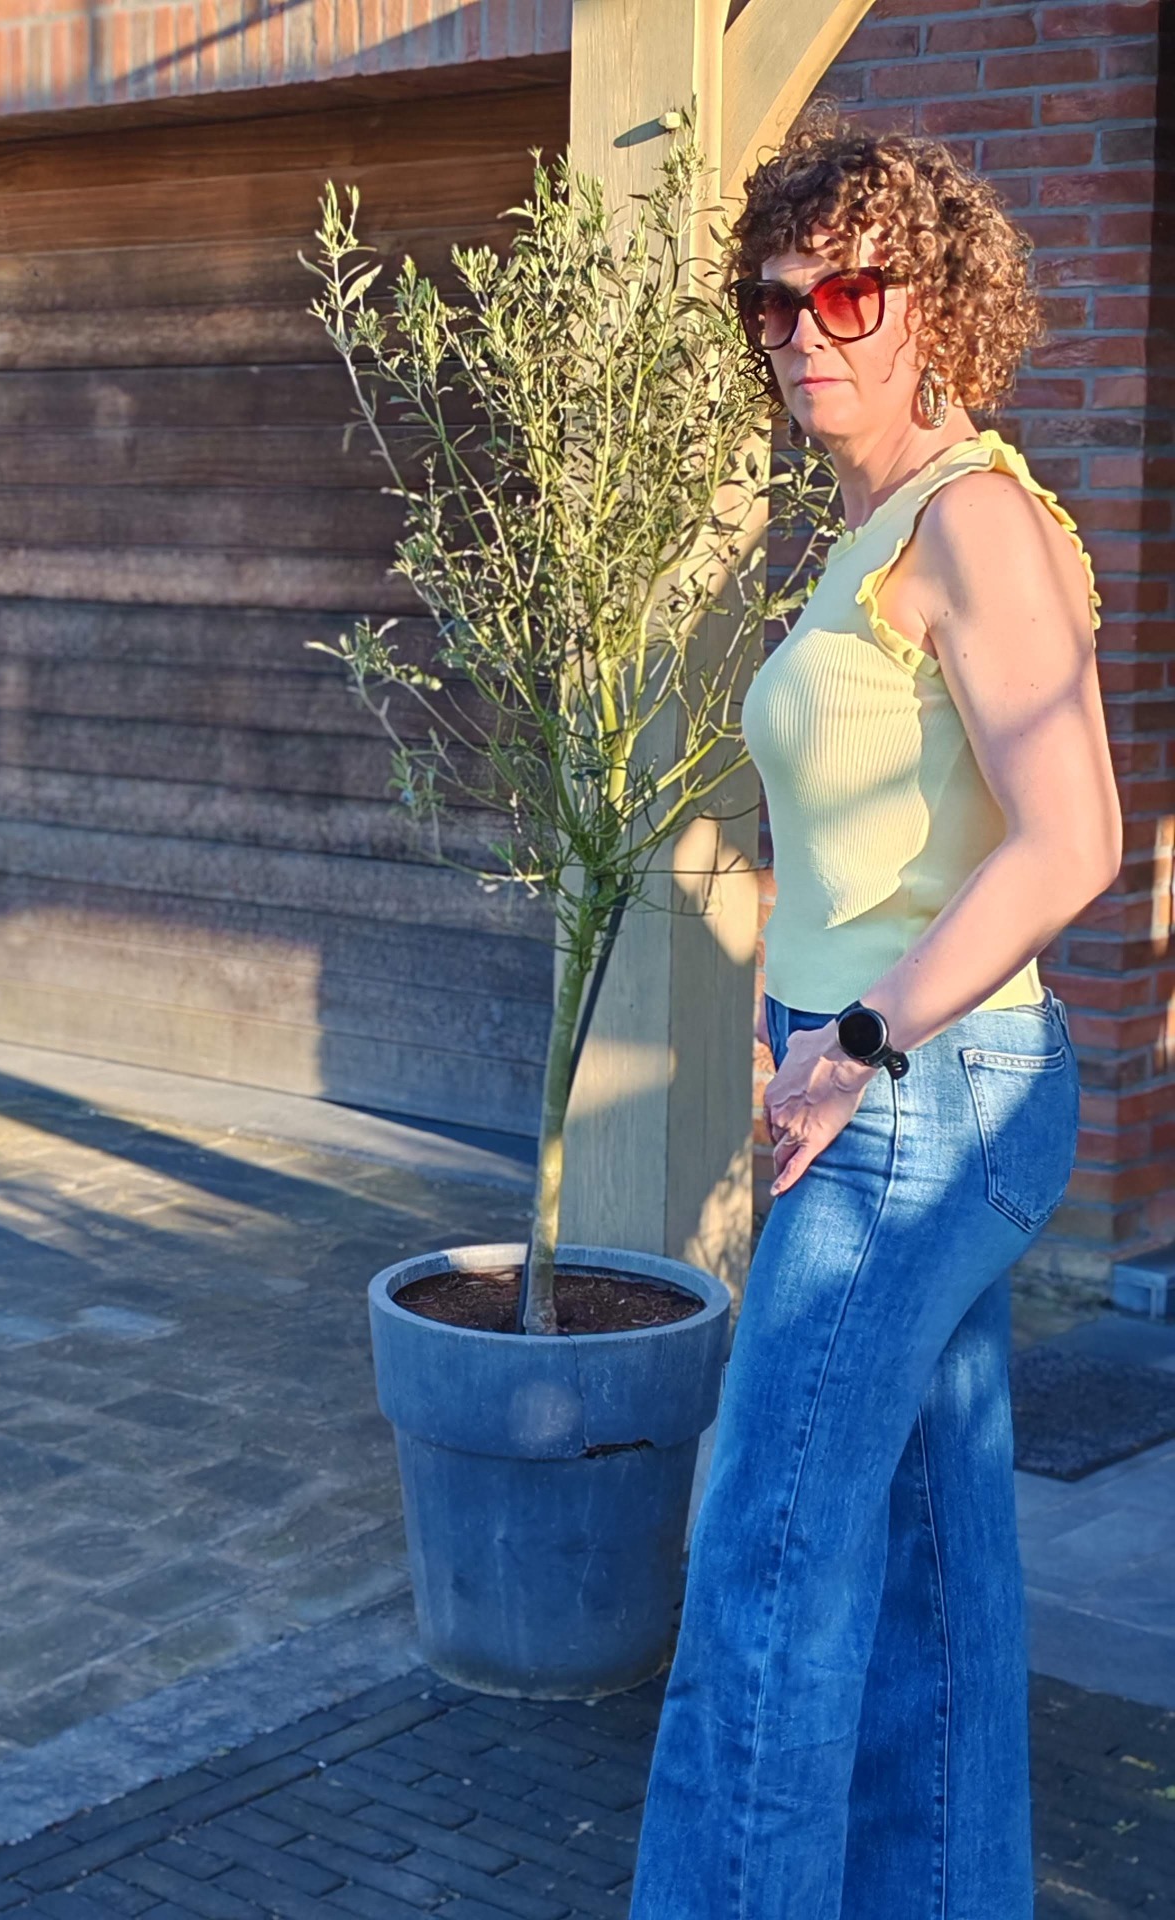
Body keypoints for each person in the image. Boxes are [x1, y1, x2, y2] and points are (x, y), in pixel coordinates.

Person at [626, 108, 1121, 1920]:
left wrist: (854, 1043)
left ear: (939, 304)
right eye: (776, 302)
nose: (805, 332)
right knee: (926, 1572)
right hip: (888, 1089)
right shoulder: (868, 534)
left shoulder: (977, 518)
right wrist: (809, 1042)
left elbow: (1076, 837)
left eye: (849, 292)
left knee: (763, 1580)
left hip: (922, 1099)